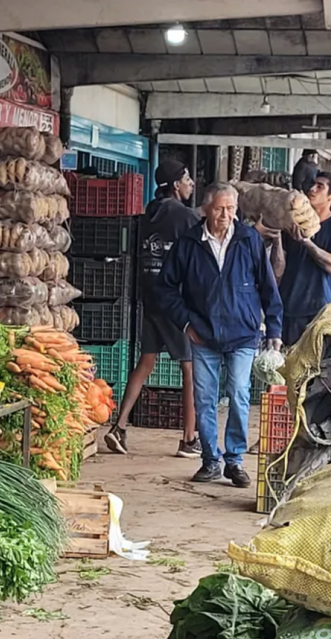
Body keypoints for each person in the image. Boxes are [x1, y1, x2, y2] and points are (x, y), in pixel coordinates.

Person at [156, 182, 284, 487]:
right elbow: (165, 288)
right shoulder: (188, 242)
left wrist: (274, 329)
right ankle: (211, 460)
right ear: (206, 208)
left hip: (242, 334)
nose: (226, 215)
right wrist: (187, 324)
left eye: (231, 209)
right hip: (203, 334)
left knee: (240, 395)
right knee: (205, 400)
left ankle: (235, 460)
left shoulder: (249, 239)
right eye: (220, 208)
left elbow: (268, 287)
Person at [105, 160, 201, 458]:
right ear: (175, 184)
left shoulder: (149, 212)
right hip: (175, 303)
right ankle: (188, 438)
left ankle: (118, 427)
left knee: (146, 362)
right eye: (187, 179)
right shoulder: (185, 217)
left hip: (149, 297)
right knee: (190, 369)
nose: (191, 184)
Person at [279, 172, 331, 346]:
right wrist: (275, 235)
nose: (312, 189)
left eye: (320, 187)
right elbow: (279, 264)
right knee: (287, 363)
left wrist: (306, 242)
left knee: (316, 366)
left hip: (319, 309)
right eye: (313, 185)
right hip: (289, 305)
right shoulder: (293, 222)